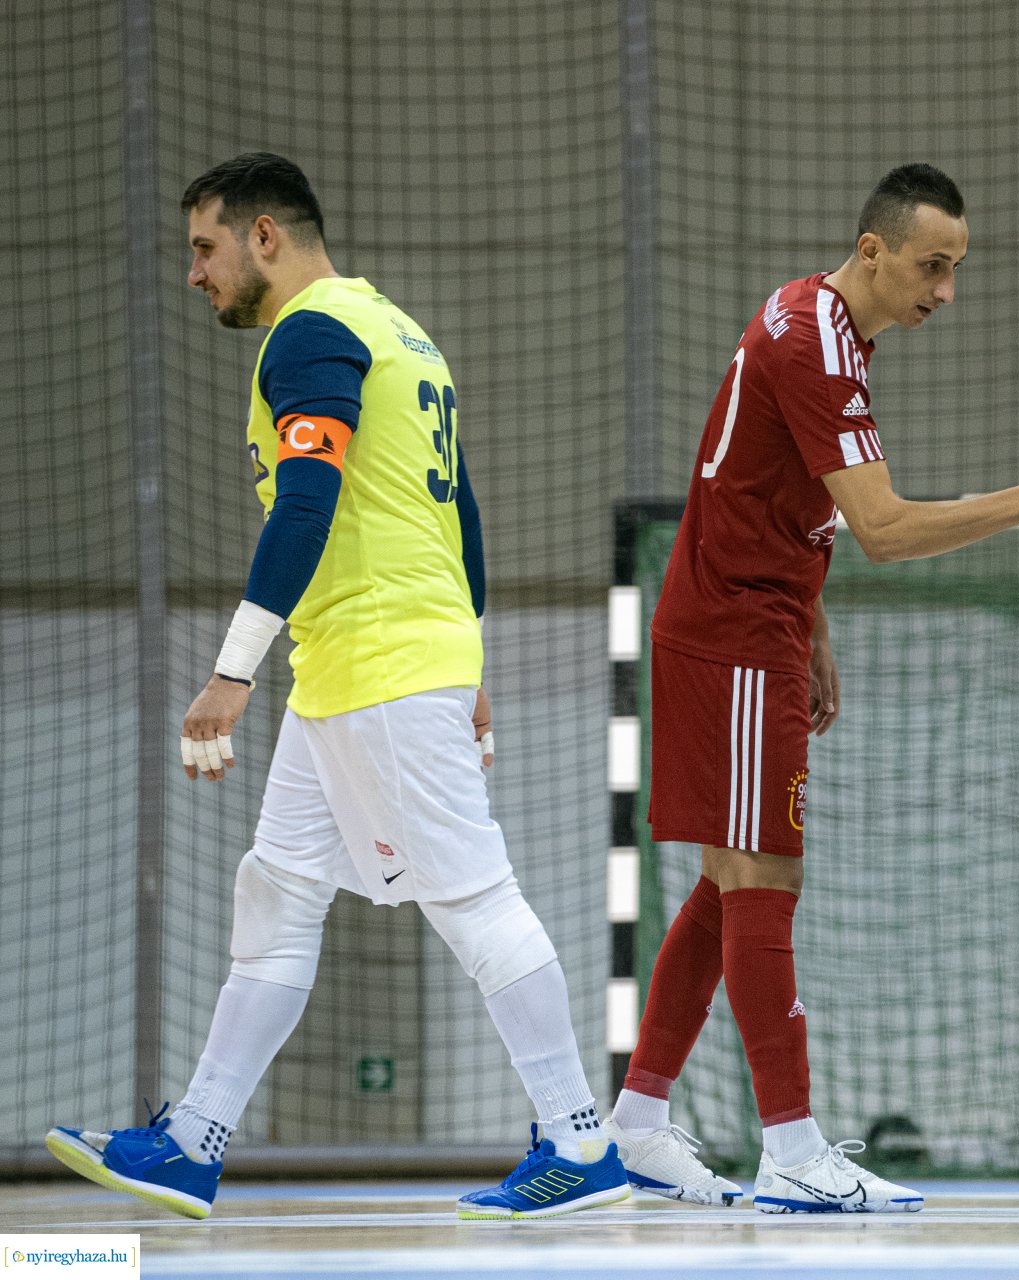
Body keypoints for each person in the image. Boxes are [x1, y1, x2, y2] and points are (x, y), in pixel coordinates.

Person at [44, 153, 626, 1221]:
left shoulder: (309, 332)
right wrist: (475, 657)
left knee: (476, 899)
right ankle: (193, 1138)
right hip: (368, 666)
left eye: (204, 247)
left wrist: (230, 670)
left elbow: (303, 504)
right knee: (280, 886)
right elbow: (462, 511)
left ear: (267, 236)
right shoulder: (402, 330)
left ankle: (583, 1138)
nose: (196, 273)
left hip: (378, 663)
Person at [608, 163, 1019, 1213]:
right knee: (765, 878)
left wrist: (816, 624)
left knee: (727, 879)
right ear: (875, 250)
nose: (945, 292)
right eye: (933, 267)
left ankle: (639, 1122)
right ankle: (791, 1146)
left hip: (759, 620)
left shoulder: (819, 323)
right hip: (735, 629)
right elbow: (883, 528)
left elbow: (775, 489)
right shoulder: (815, 345)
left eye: (957, 270)